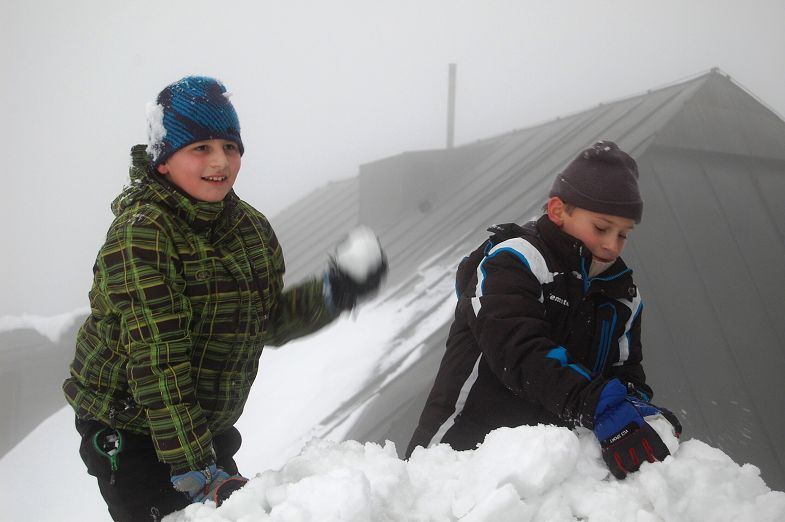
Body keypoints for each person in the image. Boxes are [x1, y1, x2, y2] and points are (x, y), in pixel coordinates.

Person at [63, 76, 387, 521]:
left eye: (230, 147)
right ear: (163, 161)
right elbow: (158, 360)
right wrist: (196, 467)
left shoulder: (248, 229)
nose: (220, 161)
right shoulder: (142, 234)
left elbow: (263, 320)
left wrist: (335, 292)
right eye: (201, 147)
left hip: (202, 426)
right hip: (131, 427)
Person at [405, 140, 681, 479]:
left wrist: (634, 409)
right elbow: (518, 352)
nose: (612, 245)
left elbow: (625, 372)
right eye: (601, 228)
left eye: (624, 234)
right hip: (460, 452)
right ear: (557, 210)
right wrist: (597, 403)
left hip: (546, 468)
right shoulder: (514, 261)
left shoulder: (622, 295)